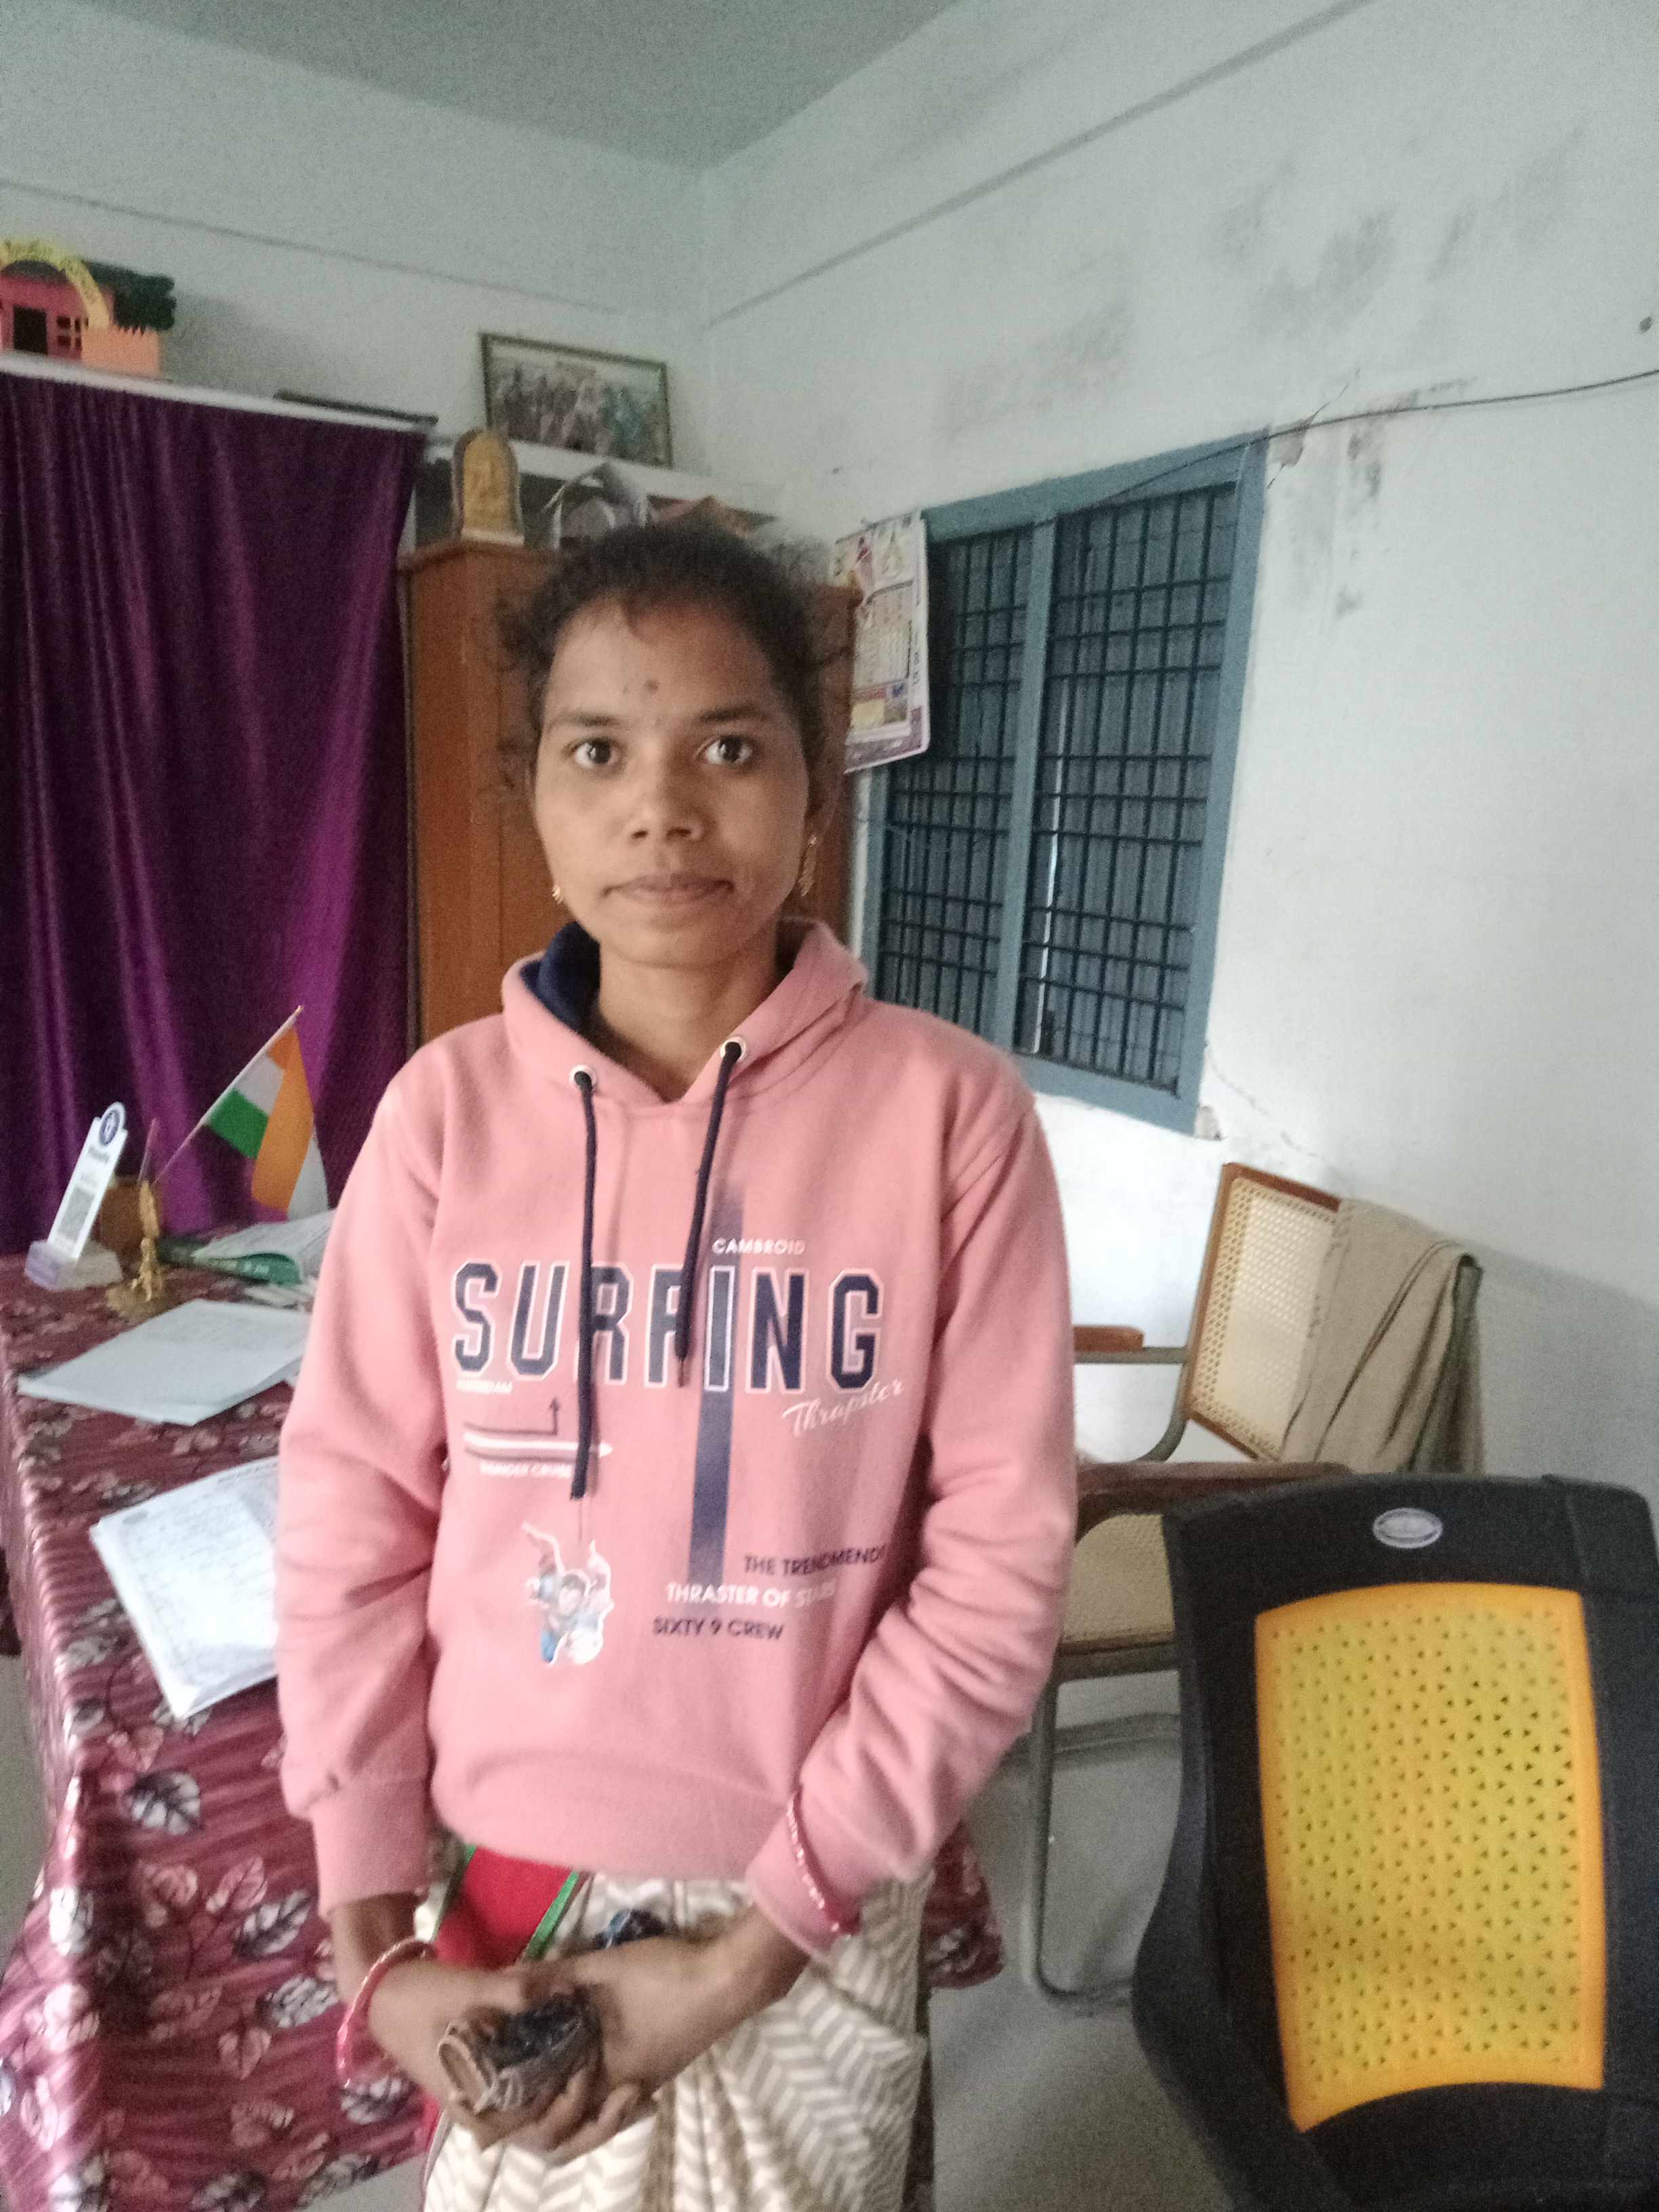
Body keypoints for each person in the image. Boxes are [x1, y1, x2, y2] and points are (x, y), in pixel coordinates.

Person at [276, 525, 1076, 2211]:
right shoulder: (442, 1118)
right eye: (598, 752)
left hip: (804, 1899)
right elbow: (351, 1520)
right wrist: (373, 1942)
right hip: (502, 1899)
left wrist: (753, 1946)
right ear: (535, 796)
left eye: (729, 747)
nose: (663, 807)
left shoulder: (950, 1119)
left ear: (816, 788)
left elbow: (998, 1564)